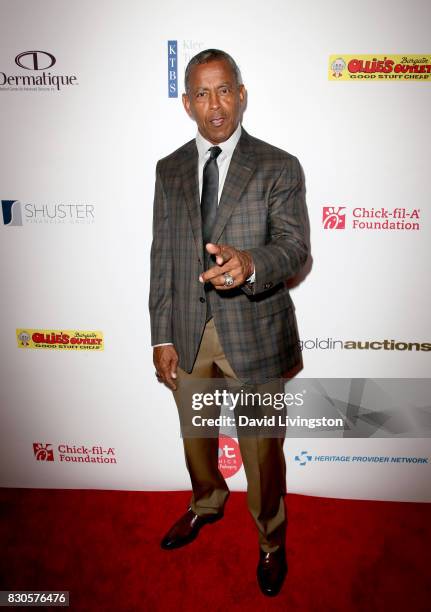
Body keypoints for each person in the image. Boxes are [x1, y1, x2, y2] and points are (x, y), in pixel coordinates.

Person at [149, 48, 309, 597]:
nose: (214, 104)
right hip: (189, 335)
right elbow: (163, 256)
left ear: (241, 94)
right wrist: (162, 334)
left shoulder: (278, 165)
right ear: (188, 101)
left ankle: (270, 540)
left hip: (256, 331)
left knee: (263, 452)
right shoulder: (168, 169)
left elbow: (295, 250)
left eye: (224, 91)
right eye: (201, 93)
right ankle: (206, 503)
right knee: (196, 438)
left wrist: (251, 265)